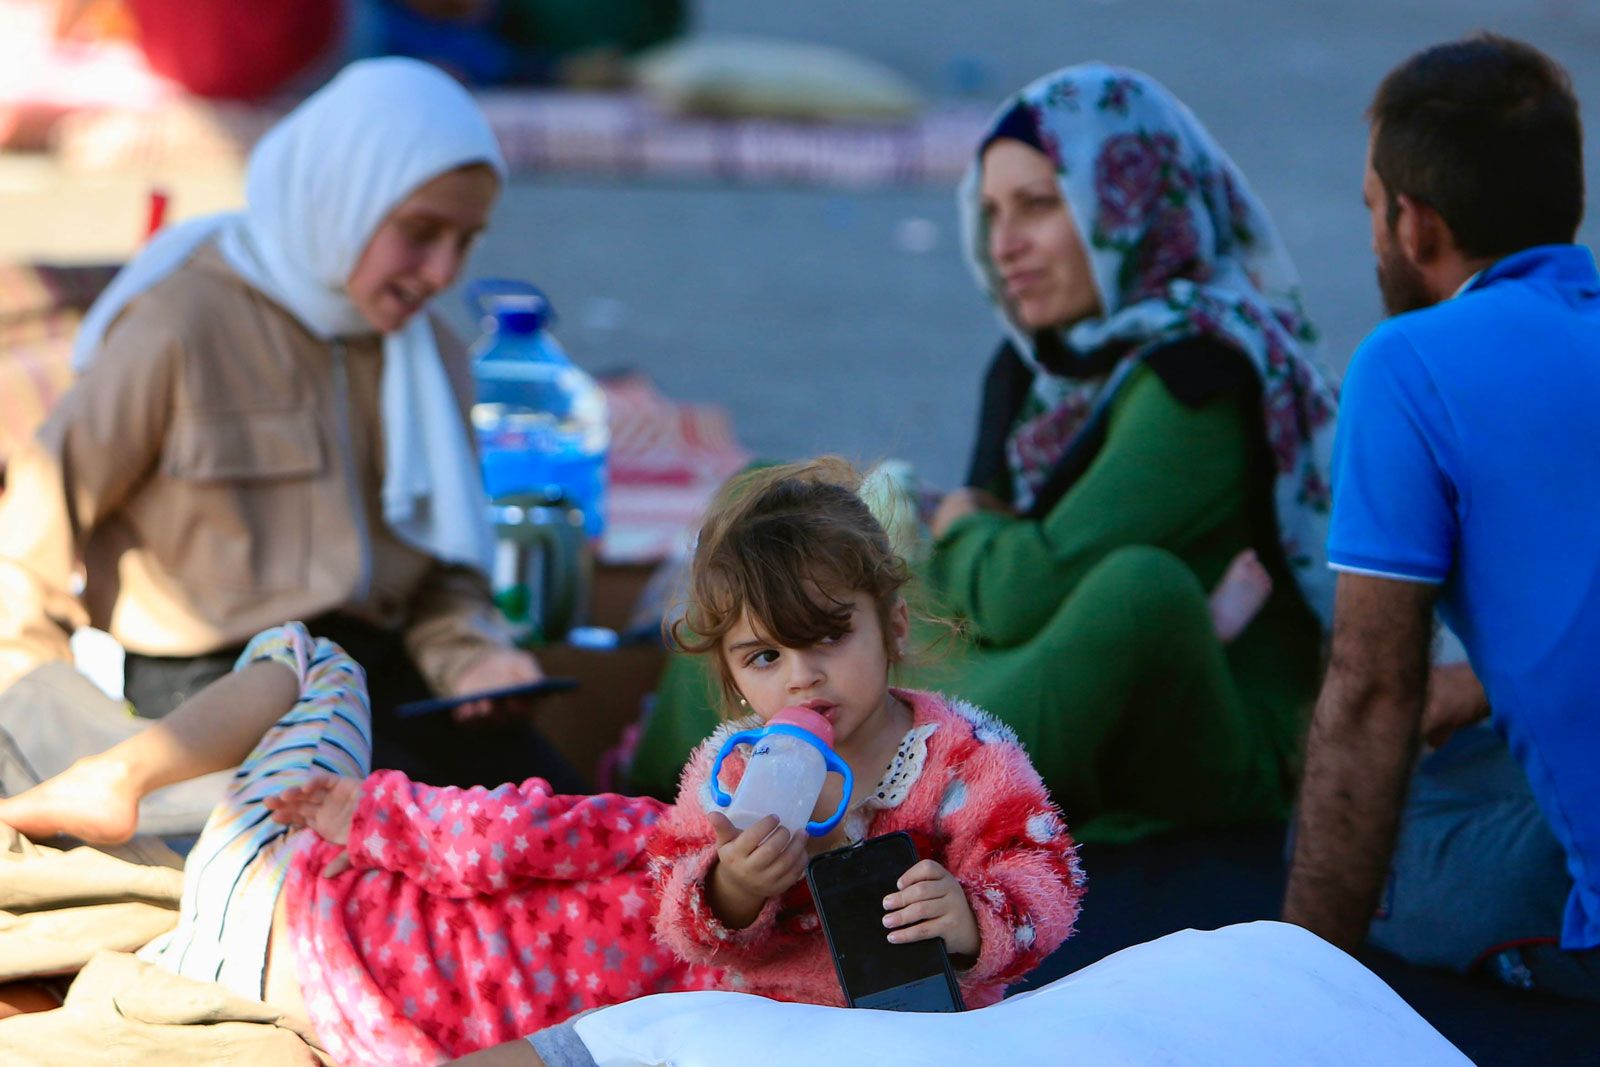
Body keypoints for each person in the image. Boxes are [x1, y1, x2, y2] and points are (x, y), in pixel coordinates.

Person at [0, 458, 1083, 1063]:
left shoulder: (960, 755)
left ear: (893, 625)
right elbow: (684, 921)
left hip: (301, 902)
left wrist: (974, 916)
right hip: (303, 897)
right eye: (765, 656)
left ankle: (134, 782)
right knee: (310, 659)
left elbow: (1047, 870)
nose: (802, 680)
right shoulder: (719, 779)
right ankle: (123, 778)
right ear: (732, 681)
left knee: (309, 660)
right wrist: (726, 887)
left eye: (828, 638)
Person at [633, 64, 1338, 845]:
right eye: (993, 211)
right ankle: (648, 819)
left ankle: (876, 806)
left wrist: (963, 523)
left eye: (1039, 205)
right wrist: (968, 536)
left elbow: (1023, 589)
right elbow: (1000, 590)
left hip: (1194, 720)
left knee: (1144, 592)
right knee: (767, 514)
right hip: (1030, 639)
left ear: (1129, 206)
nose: (1004, 245)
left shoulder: (1197, 379)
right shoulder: (1038, 365)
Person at [0, 58, 578, 791]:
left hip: (380, 670)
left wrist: (472, 657)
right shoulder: (184, 323)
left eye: (465, 241)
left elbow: (441, 574)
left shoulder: (429, 354)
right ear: (342, 200)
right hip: (209, 691)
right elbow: (30, 536)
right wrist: (41, 707)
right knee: (390, 845)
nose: (440, 272)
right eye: (420, 232)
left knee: (563, 816)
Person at [1282, 34, 1600, 1002]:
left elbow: (1374, 689)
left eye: (1373, 212)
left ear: (1414, 226)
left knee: (1362, 824)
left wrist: (1284, 986)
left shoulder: (1409, 363)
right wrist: (1478, 686)